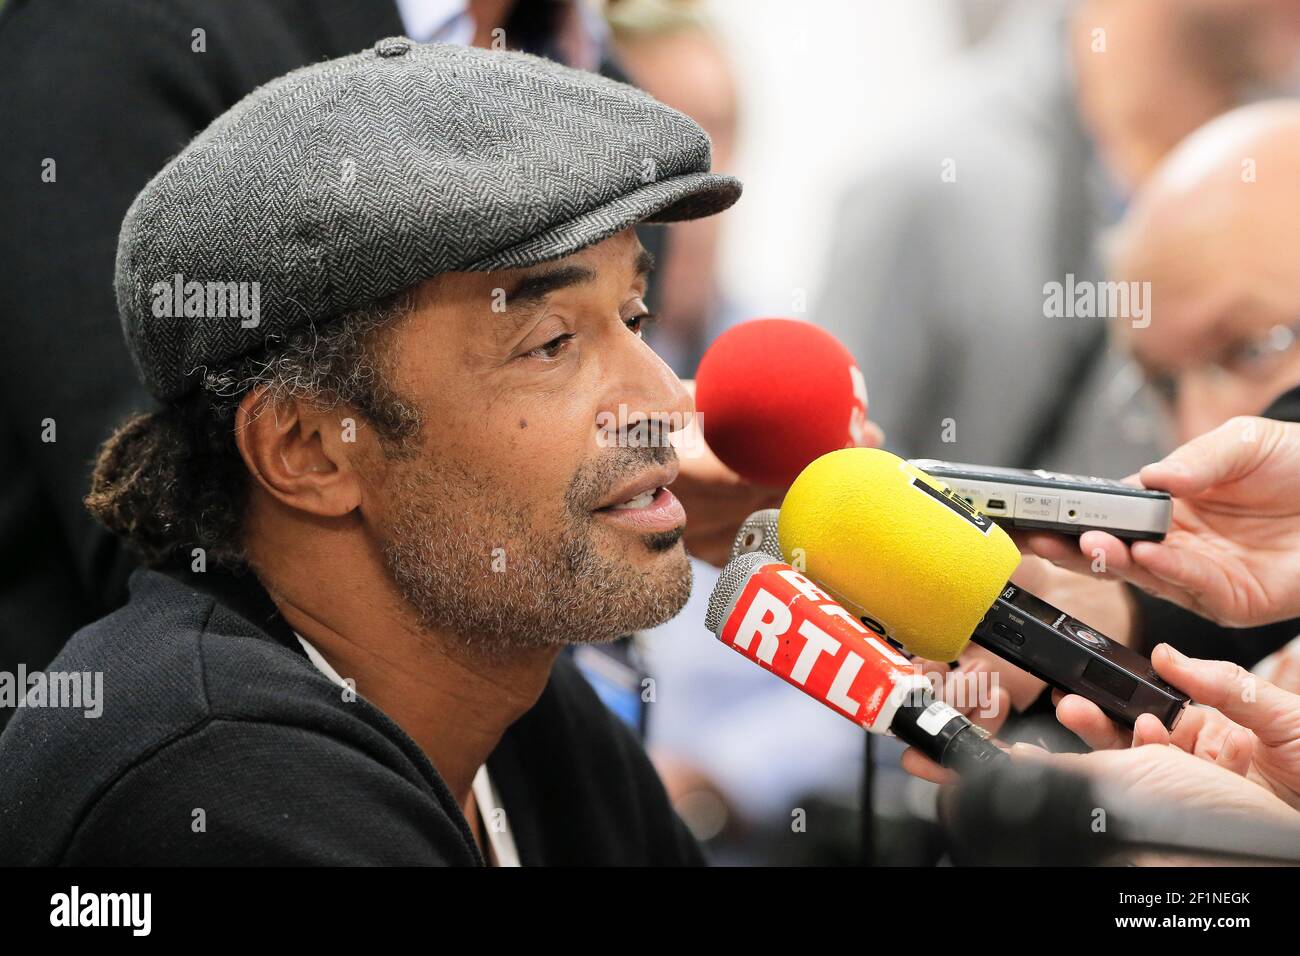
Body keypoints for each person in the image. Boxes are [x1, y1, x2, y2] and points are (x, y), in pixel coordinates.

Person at [0, 40, 740, 865]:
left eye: (635, 318)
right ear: (308, 450)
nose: (667, 401)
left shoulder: (531, 719)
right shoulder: (215, 786)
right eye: (552, 343)